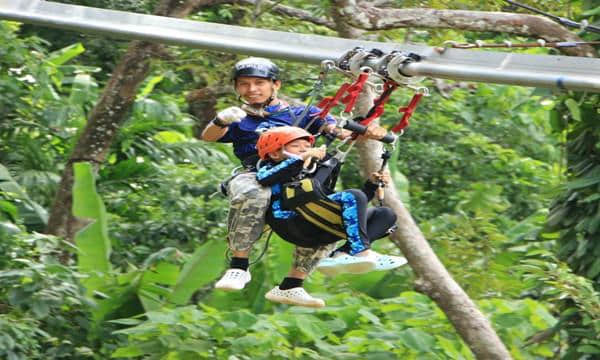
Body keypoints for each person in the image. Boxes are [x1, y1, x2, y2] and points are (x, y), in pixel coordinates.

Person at [201, 57, 361, 306]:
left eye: (258, 83)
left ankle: (293, 284)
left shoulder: (301, 113)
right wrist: (221, 120)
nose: (252, 89)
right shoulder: (239, 117)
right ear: (236, 88)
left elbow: (333, 127)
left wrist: (348, 131)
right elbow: (209, 136)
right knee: (255, 192)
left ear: (275, 85)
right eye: (244, 84)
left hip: (294, 175)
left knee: (326, 213)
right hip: (254, 173)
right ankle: (239, 266)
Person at [255, 126, 406, 307]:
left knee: (386, 214)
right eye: (297, 146)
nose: (304, 149)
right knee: (353, 195)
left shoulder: (315, 170)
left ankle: (343, 253)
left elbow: (353, 208)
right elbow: (264, 179)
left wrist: (372, 185)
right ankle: (361, 251)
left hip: (318, 223)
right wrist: (301, 158)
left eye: (306, 145)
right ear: (275, 154)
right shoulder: (270, 168)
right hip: (291, 220)